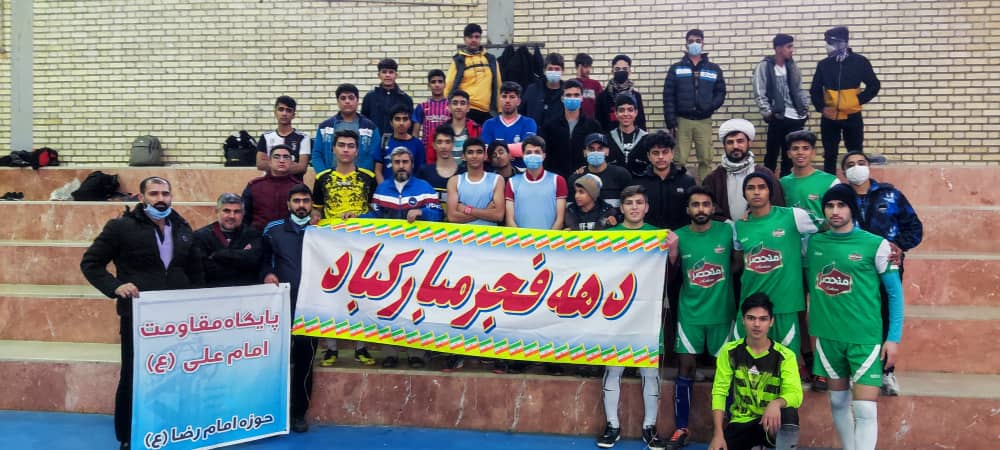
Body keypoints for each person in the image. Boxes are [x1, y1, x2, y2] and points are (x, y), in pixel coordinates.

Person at [80, 177, 205, 449]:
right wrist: (115, 286)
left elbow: (195, 271)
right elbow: (91, 263)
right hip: (139, 318)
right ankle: (128, 437)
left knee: (177, 375)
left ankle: (172, 431)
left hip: (177, 319)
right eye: (154, 193)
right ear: (141, 197)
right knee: (134, 376)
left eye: (165, 194)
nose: (160, 199)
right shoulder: (120, 227)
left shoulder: (182, 228)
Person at [806, 183, 904, 450]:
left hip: (865, 338)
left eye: (841, 205)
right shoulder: (813, 243)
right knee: (838, 402)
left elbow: (895, 294)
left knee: (865, 410)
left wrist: (893, 338)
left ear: (852, 208)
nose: (835, 211)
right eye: (829, 206)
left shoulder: (876, 245)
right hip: (827, 338)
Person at [597, 185, 675, 450]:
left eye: (639, 202)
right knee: (613, 368)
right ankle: (612, 426)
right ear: (621, 207)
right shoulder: (607, 236)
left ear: (646, 207)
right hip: (615, 313)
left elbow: (673, 268)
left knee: (649, 371)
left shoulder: (658, 236)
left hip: (647, 312)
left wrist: (673, 250)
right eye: (629, 202)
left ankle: (649, 427)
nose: (634, 207)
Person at [841, 151, 922, 396]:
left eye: (861, 163)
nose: (856, 167)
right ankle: (858, 370)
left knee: (886, 315)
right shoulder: (840, 198)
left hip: (887, 266)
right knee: (856, 317)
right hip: (855, 270)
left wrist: (900, 245)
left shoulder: (891, 194)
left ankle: (887, 372)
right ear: (844, 172)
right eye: (850, 165)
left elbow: (914, 227)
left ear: (869, 166)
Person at [665, 186, 737, 450]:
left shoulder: (727, 231)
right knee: (685, 369)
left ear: (713, 208)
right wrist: (672, 254)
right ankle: (682, 428)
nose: (701, 209)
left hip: (722, 314)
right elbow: (669, 272)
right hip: (690, 314)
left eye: (706, 204)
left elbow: (739, 262)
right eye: (695, 205)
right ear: (688, 209)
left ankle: (727, 430)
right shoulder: (678, 236)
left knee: (724, 372)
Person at [363, 146, 442, 368]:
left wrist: (423, 212)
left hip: (418, 258)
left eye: (405, 162)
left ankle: (416, 353)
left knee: (415, 304)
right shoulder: (382, 189)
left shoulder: (424, 188)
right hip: (388, 259)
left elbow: (439, 214)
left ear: (412, 164)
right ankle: (390, 353)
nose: (401, 166)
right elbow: (374, 216)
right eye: (397, 162)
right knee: (388, 303)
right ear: (392, 165)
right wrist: (354, 218)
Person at [733, 171, 817, 359]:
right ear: (744, 194)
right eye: (750, 188)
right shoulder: (739, 226)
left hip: (785, 306)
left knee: (786, 364)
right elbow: (738, 264)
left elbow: (827, 226)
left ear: (770, 192)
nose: (756, 192)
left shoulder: (794, 216)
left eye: (761, 187)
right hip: (750, 307)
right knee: (743, 364)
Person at [311, 129, 378, 367]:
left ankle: (361, 348)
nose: (346, 150)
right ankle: (331, 349)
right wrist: (315, 218)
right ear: (333, 149)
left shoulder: (369, 177)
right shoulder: (322, 178)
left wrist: (361, 217)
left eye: (351, 145)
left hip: (361, 246)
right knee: (331, 297)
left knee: (362, 297)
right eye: (341, 145)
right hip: (331, 248)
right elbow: (317, 209)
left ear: (357, 150)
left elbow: (377, 211)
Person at [708, 293, 802, 450]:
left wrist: (776, 403)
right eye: (751, 318)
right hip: (740, 422)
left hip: (770, 423)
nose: (757, 324)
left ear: (771, 322)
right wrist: (718, 434)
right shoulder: (729, 351)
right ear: (743, 320)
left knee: (789, 413)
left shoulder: (786, 356)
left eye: (763, 319)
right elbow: (719, 392)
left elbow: (795, 394)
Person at [260, 184, 318, 433]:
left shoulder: (324, 231)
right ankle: (273, 412)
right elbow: (262, 259)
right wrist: (267, 273)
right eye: (296, 201)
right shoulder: (273, 230)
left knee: (305, 363)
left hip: (312, 309)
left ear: (312, 204)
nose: (301, 205)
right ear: (288, 204)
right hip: (281, 307)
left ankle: (298, 414)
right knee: (276, 361)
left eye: (306, 200)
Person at [810, 26, 881, 174]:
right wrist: (822, 108)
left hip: (852, 116)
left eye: (829, 42)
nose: (827, 46)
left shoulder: (860, 61)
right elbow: (815, 90)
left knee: (855, 153)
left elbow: (874, 85)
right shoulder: (823, 64)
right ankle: (831, 185)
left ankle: (857, 183)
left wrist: (856, 101)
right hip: (830, 118)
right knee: (830, 154)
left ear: (841, 43)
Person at [663, 29, 727, 180]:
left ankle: (706, 189)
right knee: (679, 159)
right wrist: (671, 122)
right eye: (691, 41)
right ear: (686, 44)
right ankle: (677, 187)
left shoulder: (713, 69)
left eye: (698, 41)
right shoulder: (676, 68)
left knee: (706, 158)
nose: (694, 44)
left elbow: (720, 92)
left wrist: (710, 106)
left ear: (703, 43)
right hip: (682, 120)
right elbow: (668, 96)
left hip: (704, 121)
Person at [702, 119, 786, 221]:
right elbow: (708, 208)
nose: (735, 146)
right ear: (724, 145)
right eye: (730, 142)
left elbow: (778, 206)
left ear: (749, 143)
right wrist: (726, 223)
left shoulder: (765, 174)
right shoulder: (713, 179)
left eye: (740, 141)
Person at [752, 34, 810, 177]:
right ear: (778, 48)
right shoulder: (764, 66)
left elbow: (799, 89)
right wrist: (768, 113)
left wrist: (804, 108)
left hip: (796, 117)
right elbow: (759, 92)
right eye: (789, 47)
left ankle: (786, 186)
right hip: (777, 116)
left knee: (789, 156)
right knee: (771, 155)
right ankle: (769, 184)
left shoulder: (792, 66)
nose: (792, 50)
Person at [193, 193, 262, 287]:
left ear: (243, 214)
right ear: (217, 211)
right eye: (226, 211)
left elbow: (254, 262)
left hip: (246, 291)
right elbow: (204, 270)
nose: (231, 216)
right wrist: (241, 256)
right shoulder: (201, 236)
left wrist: (218, 255)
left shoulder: (253, 234)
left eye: (237, 211)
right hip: (214, 291)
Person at [539, 80, 603, 179]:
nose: (572, 98)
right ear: (562, 98)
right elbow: (545, 154)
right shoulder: (550, 126)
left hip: (585, 179)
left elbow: (599, 152)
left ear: (582, 98)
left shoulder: (593, 126)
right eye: (568, 95)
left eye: (576, 95)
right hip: (556, 179)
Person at [634, 130, 695, 231]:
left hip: (680, 236)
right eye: (655, 153)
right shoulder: (638, 182)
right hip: (649, 237)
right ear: (649, 156)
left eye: (665, 152)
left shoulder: (687, 181)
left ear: (672, 154)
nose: (660, 157)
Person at [314, 83, 381, 173]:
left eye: (351, 98)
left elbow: (374, 155)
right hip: (330, 178)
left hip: (361, 178)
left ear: (357, 101)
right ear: (338, 102)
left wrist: (361, 175)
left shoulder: (370, 128)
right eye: (343, 98)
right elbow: (317, 155)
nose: (347, 101)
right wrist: (324, 175)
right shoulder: (325, 127)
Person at [504, 135, 567, 230]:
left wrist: (548, 238)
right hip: (520, 239)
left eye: (537, 152)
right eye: (528, 152)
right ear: (523, 156)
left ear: (544, 155)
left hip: (550, 238)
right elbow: (509, 220)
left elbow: (560, 219)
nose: (533, 155)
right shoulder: (512, 183)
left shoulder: (558, 180)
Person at [779, 130, 839, 228]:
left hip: (822, 236)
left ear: (813, 152)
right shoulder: (782, 183)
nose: (800, 152)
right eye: (795, 148)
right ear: (789, 154)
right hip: (793, 236)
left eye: (805, 148)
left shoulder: (831, 182)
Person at [445, 23, 501, 125]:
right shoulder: (459, 60)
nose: (474, 40)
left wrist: (499, 110)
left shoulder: (490, 59)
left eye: (477, 37)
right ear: (465, 39)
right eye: (470, 37)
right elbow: (449, 86)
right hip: (467, 111)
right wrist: (447, 108)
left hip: (488, 112)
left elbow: (498, 85)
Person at [446, 137, 505, 229]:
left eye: (479, 152)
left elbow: (499, 215)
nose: (474, 156)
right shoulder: (454, 181)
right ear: (463, 156)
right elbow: (452, 217)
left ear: (485, 156)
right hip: (462, 236)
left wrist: (467, 209)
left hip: (489, 236)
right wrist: (486, 211)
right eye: (470, 152)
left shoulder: (497, 179)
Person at [243, 145, 301, 231]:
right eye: (276, 157)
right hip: (258, 235)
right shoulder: (254, 186)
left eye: (286, 157)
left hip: (289, 235)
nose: (281, 160)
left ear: (291, 162)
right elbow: (244, 215)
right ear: (269, 162)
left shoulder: (298, 187)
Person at [568, 133, 632, 207]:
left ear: (607, 151)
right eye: (591, 149)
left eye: (600, 148)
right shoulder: (576, 178)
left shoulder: (622, 175)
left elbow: (630, 204)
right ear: (585, 152)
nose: (596, 152)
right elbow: (571, 209)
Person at [256, 95, 311, 179]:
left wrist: (273, 165)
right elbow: (260, 164)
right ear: (275, 112)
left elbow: (302, 167)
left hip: (294, 184)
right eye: (281, 109)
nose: (284, 113)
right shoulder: (266, 137)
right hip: (270, 182)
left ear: (293, 115)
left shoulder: (303, 138)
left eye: (288, 110)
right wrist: (290, 165)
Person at [481, 81, 538, 160]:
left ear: (519, 101)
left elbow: (527, 148)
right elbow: (485, 153)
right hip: (495, 167)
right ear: (499, 99)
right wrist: (514, 150)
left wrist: (496, 150)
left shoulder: (529, 123)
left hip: (520, 167)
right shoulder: (489, 124)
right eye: (504, 96)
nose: (507, 100)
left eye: (512, 97)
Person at [362, 57, 414, 136]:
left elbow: (410, 125)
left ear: (396, 75)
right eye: (384, 72)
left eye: (391, 72)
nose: (387, 75)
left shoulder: (405, 99)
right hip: (375, 140)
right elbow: (364, 122)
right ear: (379, 75)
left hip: (398, 141)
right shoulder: (369, 97)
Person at [595, 54, 647, 132]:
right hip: (608, 137)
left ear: (630, 71)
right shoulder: (602, 97)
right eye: (617, 69)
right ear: (612, 71)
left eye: (625, 69)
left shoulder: (636, 96)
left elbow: (641, 123)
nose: (621, 71)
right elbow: (598, 124)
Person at [375, 104, 425, 183]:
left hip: (410, 189)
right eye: (397, 119)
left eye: (405, 119)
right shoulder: (384, 140)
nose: (401, 123)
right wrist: (383, 188)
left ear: (410, 122)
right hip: (387, 188)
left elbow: (419, 172)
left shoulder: (417, 144)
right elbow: (378, 170)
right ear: (391, 122)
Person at [417, 125, 463, 203]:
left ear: (453, 144)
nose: (443, 146)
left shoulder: (463, 173)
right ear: (434, 145)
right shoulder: (424, 171)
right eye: (439, 142)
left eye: (447, 142)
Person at [413, 69, 451, 163]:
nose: (437, 85)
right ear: (429, 85)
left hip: (447, 151)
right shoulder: (422, 107)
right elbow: (415, 133)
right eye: (433, 82)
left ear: (445, 84)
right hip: (426, 152)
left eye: (440, 81)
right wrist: (416, 150)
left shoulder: (451, 106)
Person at [607, 93, 648, 176]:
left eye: (630, 110)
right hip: (615, 182)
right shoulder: (608, 138)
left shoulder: (646, 138)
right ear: (616, 113)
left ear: (636, 112)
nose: (626, 114)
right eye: (621, 110)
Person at [520, 52, 565, 126]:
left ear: (562, 71)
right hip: (534, 132)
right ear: (544, 70)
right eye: (550, 69)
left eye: (557, 69)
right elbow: (521, 113)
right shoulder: (532, 90)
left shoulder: (567, 92)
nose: (553, 72)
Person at [446, 89, 483, 159]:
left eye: (462, 103)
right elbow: (432, 159)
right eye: (455, 103)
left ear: (468, 107)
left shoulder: (477, 129)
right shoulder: (439, 130)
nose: (458, 107)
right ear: (449, 107)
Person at [572, 52, 603, 120]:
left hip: (591, 122)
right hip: (574, 121)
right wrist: (579, 77)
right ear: (578, 67)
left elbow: (601, 105)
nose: (588, 70)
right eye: (585, 67)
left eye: (590, 66)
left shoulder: (595, 84)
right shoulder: (571, 83)